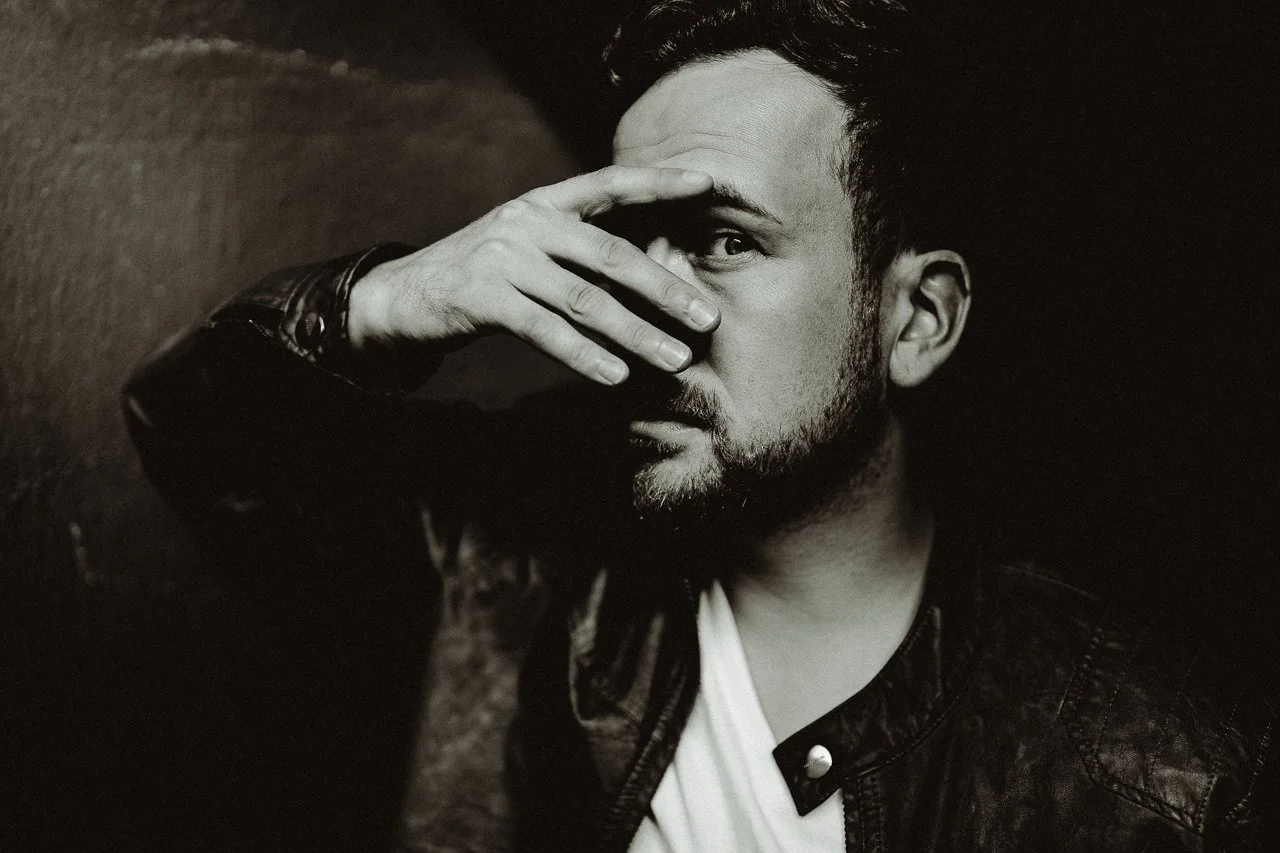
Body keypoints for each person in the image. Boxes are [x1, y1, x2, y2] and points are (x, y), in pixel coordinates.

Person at [123, 0, 1275, 850]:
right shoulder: (504, 565)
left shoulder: (1160, 776)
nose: (647, 313)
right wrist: (385, 303)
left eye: (724, 238)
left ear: (915, 319)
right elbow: (200, 437)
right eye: (633, 241)